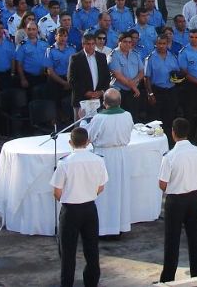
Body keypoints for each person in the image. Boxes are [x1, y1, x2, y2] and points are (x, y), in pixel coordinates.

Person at [50, 126, 108, 287]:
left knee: (68, 253)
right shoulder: (98, 160)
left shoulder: (65, 163)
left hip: (70, 210)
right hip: (90, 208)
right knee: (92, 250)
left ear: (70, 143)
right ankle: (91, 283)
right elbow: (101, 186)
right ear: (88, 142)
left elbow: (57, 191)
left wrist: (69, 199)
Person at [158, 118, 197, 283]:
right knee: (196, 239)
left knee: (172, 240)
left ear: (173, 133)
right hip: (194, 198)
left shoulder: (170, 156)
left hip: (175, 200)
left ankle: (168, 278)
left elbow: (162, 184)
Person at [83, 88, 134, 237]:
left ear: (104, 103)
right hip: (122, 156)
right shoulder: (127, 115)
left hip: (104, 156)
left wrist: (83, 120)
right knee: (119, 190)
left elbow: (88, 138)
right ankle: (118, 226)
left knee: (105, 193)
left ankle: (104, 228)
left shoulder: (100, 118)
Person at [144, 34, 179, 146]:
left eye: (164, 43)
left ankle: (169, 143)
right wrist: (150, 93)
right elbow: (147, 78)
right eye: (159, 43)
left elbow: (177, 73)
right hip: (157, 91)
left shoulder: (173, 56)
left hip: (170, 91)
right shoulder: (150, 58)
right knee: (155, 120)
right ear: (156, 44)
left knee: (169, 118)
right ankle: (154, 144)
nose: (162, 46)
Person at [67, 33, 110, 119]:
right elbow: (71, 79)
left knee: (98, 127)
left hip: (99, 99)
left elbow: (106, 77)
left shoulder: (101, 57)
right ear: (83, 44)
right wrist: (86, 93)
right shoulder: (75, 58)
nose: (91, 46)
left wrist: (101, 92)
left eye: (93, 44)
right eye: (88, 44)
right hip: (81, 98)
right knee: (81, 128)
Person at [107, 32, 144, 120]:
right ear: (119, 42)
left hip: (133, 91)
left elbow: (142, 72)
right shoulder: (113, 55)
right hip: (119, 92)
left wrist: (134, 83)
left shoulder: (135, 54)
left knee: (133, 117)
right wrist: (134, 87)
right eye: (125, 42)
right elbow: (118, 76)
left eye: (129, 42)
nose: (128, 44)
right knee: (119, 118)